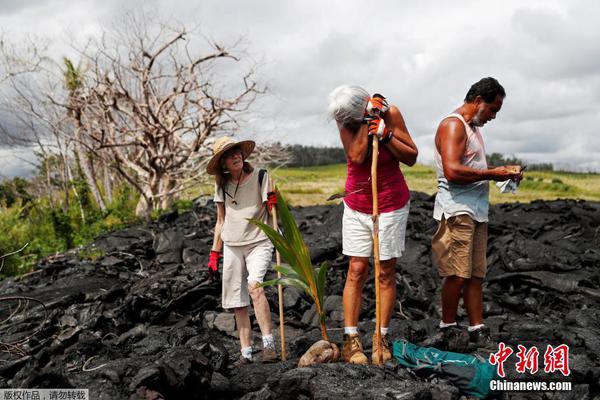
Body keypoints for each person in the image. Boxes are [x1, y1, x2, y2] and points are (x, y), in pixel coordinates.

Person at [327, 85, 418, 365]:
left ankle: (381, 335)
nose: (345, 122)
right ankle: (351, 339)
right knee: (356, 268)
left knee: (385, 270)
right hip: (357, 204)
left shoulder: (391, 114)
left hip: (390, 203)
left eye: (350, 118)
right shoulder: (346, 122)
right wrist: (368, 126)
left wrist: (386, 134)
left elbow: (412, 156)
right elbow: (356, 156)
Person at [431, 77, 523, 349]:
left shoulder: (473, 129)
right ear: (478, 100)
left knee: (475, 274)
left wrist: (503, 174)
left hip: (476, 212)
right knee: (457, 273)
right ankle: (447, 326)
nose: (493, 116)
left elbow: (472, 169)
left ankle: (476, 327)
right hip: (457, 210)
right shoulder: (453, 125)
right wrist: (493, 173)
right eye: (493, 109)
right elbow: (452, 170)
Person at [206, 136, 278, 367]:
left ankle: (269, 346)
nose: (235, 156)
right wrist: (214, 254)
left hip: (259, 241)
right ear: (222, 163)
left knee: (255, 288)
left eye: (237, 151)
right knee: (238, 301)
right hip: (231, 244)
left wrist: (274, 203)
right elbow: (220, 221)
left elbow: (272, 211)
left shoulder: (261, 176)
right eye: (229, 154)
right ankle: (246, 353)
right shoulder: (221, 185)